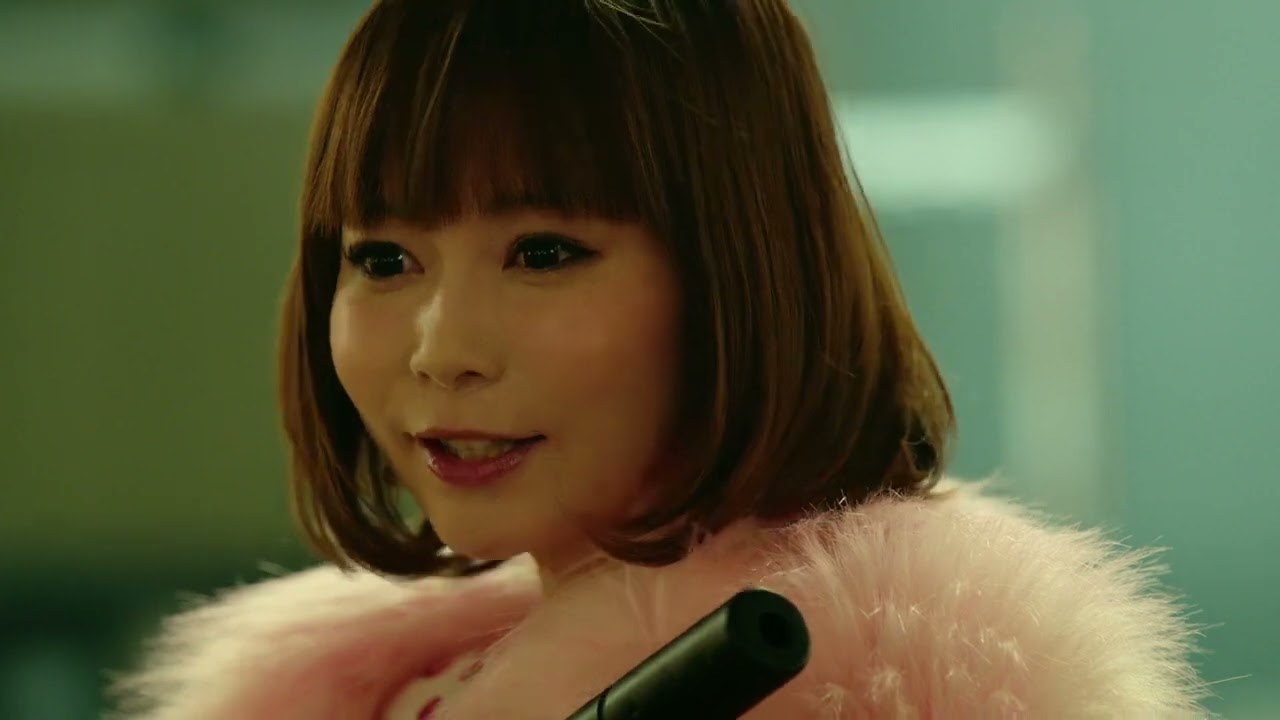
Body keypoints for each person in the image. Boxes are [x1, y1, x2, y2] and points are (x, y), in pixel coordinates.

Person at [108, 1, 1207, 717]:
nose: (442, 350)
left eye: (544, 252)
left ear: (738, 271)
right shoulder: (396, 692)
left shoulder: (859, 690)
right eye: (383, 259)